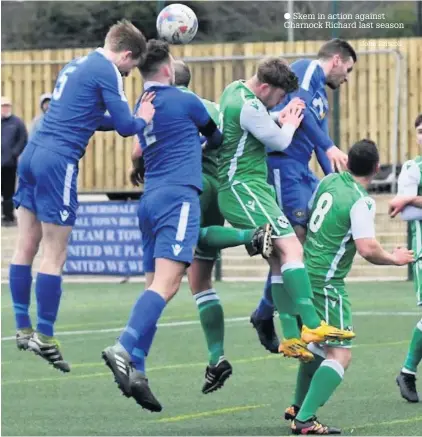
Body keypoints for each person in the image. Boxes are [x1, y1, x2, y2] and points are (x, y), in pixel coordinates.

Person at [10, 20, 151, 372]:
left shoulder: (78, 62)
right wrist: (143, 117)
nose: (130, 74)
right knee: (54, 253)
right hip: (58, 161)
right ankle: (45, 334)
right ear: (127, 54)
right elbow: (124, 126)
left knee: (25, 244)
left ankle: (22, 328)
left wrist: (124, 118)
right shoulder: (109, 72)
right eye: (131, 68)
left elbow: (86, 116)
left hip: (31, 154)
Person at [101, 40, 223, 412]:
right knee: (169, 286)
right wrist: (196, 141)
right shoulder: (186, 101)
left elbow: (138, 149)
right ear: (169, 69)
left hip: (150, 200)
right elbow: (216, 136)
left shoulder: (143, 103)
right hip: (178, 198)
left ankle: (138, 369)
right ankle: (123, 348)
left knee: (154, 288)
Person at [216, 56, 355, 362]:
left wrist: (280, 116)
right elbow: (279, 142)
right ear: (265, 87)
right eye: (280, 96)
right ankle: (312, 325)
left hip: (252, 187)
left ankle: (291, 337)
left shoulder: (237, 90)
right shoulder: (251, 105)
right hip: (243, 188)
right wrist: (289, 122)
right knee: (293, 247)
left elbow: (261, 123)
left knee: (280, 260)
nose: (282, 101)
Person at [284, 140, 414, 434]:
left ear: (348, 161)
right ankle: (304, 419)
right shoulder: (362, 200)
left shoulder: (328, 180)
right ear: (377, 168)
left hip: (305, 273)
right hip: (327, 283)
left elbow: (307, 214)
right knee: (341, 354)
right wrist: (395, 259)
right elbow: (367, 248)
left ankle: (297, 406)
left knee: (318, 346)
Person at [169, 60, 273, 394]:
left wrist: (136, 163)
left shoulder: (167, 103)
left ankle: (249, 237)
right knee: (199, 279)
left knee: (185, 248)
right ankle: (216, 359)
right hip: (223, 181)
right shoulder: (212, 105)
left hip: (195, 183)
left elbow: (139, 148)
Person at [251, 38, 357, 354]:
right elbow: (305, 118)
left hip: (301, 169)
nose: (346, 78)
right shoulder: (307, 69)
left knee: (304, 242)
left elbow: (317, 139)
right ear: (336, 59)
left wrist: (339, 182)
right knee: (290, 242)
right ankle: (278, 317)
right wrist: (327, 146)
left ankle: (268, 310)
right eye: (348, 69)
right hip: (282, 164)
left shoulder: (320, 94)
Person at [389, 113, 422, 403]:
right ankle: (407, 372)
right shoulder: (413, 168)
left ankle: (408, 372)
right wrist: (410, 202)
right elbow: (407, 213)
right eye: (420, 131)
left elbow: (411, 203)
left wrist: (413, 198)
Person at [1, 96, 28, 226]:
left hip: (9, 165)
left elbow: (23, 139)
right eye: (2, 106)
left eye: (7, 106)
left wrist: (14, 153)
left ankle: (8, 217)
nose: (5, 109)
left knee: (8, 192)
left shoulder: (17, 123)